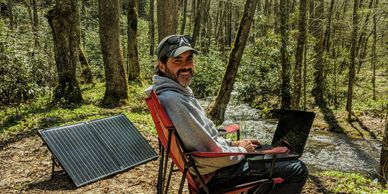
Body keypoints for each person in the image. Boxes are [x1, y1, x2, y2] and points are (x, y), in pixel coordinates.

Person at [145, 35, 308, 193]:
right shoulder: (174, 100)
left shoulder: (173, 93)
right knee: (297, 169)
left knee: (280, 154)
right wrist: (242, 151)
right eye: (177, 61)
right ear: (161, 65)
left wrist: (233, 145)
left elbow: (205, 140)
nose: (186, 66)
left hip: (213, 166)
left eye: (189, 59)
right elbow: (210, 152)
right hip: (216, 174)